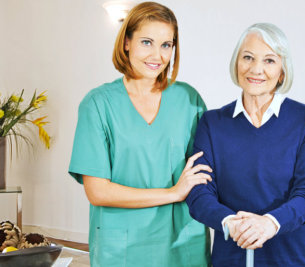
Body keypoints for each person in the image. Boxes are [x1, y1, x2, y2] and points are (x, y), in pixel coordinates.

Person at [68, 2, 211, 266]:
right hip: (121, 246)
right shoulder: (98, 104)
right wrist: (173, 193)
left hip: (182, 240)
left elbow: (209, 171)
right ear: (126, 43)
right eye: (147, 42)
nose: (157, 55)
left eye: (166, 45)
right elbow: (98, 191)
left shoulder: (189, 99)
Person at [186, 23, 305, 266]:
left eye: (270, 60)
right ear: (236, 63)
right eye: (248, 57)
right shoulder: (211, 123)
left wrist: (269, 223)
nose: (256, 69)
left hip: (297, 255)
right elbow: (199, 193)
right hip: (233, 255)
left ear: (283, 71)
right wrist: (231, 223)